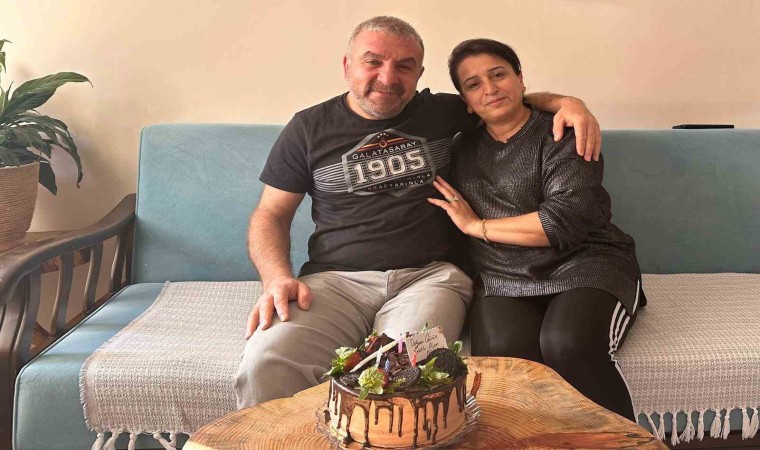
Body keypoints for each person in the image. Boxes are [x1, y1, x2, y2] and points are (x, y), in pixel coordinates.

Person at [235, 17, 601, 408]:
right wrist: (276, 278)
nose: (387, 78)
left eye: (404, 66)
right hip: (334, 282)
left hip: (431, 278)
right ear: (347, 65)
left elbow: (502, 99)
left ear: (419, 74)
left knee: (406, 372)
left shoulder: (440, 112)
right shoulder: (308, 128)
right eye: (373, 62)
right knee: (265, 364)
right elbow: (270, 214)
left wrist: (568, 104)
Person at [428, 38, 644, 420]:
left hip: (585, 263)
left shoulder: (564, 131)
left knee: (567, 343)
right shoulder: (459, 147)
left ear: (520, 79)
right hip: (503, 275)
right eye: (474, 84)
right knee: (504, 360)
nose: (490, 88)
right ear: (466, 101)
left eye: (499, 75)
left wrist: (476, 226)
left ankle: (625, 442)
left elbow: (562, 222)